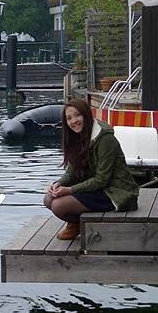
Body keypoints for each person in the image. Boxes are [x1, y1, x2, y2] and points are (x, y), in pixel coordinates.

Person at [44, 98, 139, 240]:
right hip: (97, 188)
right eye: (69, 118)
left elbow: (102, 180)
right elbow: (71, 171)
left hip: (116, 192)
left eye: (77, 115)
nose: (74, 121)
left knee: (58, 206)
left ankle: (75, 223)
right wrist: (58, 184)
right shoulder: (77, 136)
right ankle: (76, 223)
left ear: (86, 115)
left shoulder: (105, 139)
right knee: (49, 198)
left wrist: (69, 190)